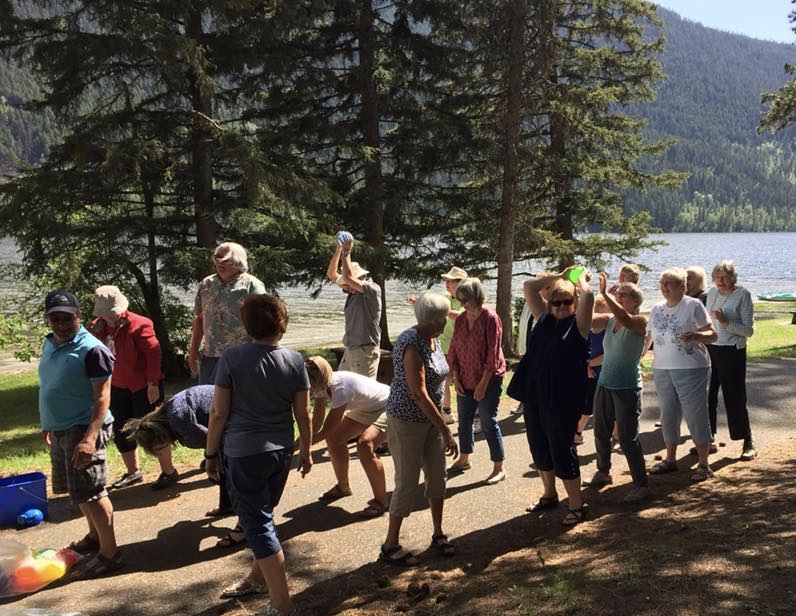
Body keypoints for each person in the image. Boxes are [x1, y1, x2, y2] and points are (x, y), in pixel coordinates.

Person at [205, 294, 311, 616]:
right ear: (281, 323)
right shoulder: (295, 360)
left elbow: (218, 412)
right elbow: (303, 414)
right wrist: (305, 450)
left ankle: (282, 604)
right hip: (280, 453)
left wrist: (211, 453)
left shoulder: (232, 358)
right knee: (263, 517)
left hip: (244, 454)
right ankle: (257, 577)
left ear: (247, 325)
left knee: (259, 525)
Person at [38, 289, 121, 579]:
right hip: (61, 428)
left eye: (67, 317)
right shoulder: (50, 343)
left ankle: (110, 554)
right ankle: (94, 536)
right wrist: (48, 422)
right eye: (54, 318)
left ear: (79, 316)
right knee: (79, 492)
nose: (60, 323)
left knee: (93, 491)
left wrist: (89, 438)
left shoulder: (92, 349)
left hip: (83, 428)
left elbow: (102, 398)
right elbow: (50, 385)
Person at [507, 268, 594, 526]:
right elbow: (528, 286)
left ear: (574, 303)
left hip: (563, 398)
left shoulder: (579, 324)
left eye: (567, 301)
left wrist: (579, 281)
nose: (561, 306)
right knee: (539, 445)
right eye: (556, 302)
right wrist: (560, 275)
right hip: (535, 394)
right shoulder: (543, 317)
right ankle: (549, 495)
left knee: (561, 449)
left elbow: (588, 297)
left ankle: (577, 505)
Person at [380, 292, 458, 566]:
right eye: (441, 318)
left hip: (430, 421)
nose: (444, 323)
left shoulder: (432, 338)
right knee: (407, 482)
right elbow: (418, 392)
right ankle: (390, 544)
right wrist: (446, 429)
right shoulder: (411, 342)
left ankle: (438, 533)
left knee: (438, 476)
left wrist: (439, 425)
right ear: (430, 320)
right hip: (406, 421)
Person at [89, 285, 164, 490]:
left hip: (142, 385)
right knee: (122, 431)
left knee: (152, 428)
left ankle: (168, 471)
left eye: (113, 313)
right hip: (115, 386)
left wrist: (153, 384)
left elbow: (153, 355)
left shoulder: (140, 324)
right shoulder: (95, 328)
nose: (111, 318)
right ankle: (133, 473)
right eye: (107, 315)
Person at [646, 268, 717, 482]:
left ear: (682, 286)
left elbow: (712, 335)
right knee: (668, 415)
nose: (664, 287)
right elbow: (648, 337)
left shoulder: (693, 305)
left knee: (695, 414)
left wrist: (696, 335)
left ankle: (704, 464)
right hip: (662, 368)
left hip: (691, 367)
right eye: (662, 283)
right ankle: (670, 459)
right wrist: (638, 356)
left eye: (669, 283)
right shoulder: (656, 309)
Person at [122, 385, 236, 519]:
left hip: (234, 412)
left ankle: (242, 515)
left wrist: (212, 460)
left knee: (227, 472)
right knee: (222, 472)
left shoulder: (179, 421)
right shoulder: (170, 410)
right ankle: (228, 506)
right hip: (226, 406)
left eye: (156, 445)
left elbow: (213, 442)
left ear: (158, 436)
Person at [587, 274, 650, 502]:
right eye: (618, 293)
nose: (619, 296)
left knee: (627, 438)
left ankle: (641, 484)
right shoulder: (610, 320)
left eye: (623, 295)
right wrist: (582, 291)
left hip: (627, 387)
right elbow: (587, 319)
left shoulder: (640, 322)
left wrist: (605, 294)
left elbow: (624, 317)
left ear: (635, 301)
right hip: (605, 383)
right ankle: (603, 471)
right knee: (600, 431)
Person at [306, 355, 390, 517]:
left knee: (365, 445)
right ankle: (343, 487)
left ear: (318, 379)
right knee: (335, 439)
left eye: (308, 382)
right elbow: (317, 424)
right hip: (366, 409)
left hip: (387, 405)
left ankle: (381, 502)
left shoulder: (341, 389)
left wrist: (298, 448)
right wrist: (303, 442)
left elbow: (326, 430)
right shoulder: (321, 386)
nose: (306, 387)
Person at [446, 278, 508, 484]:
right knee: (464, 421)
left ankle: (499, 467)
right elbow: (454, 346)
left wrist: (483, 384)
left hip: (489, 379)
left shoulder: (491, 318)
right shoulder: (462, 318)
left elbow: (493, 354)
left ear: (475, 296)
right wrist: (455, 374)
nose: (462, 303)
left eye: (465, 299)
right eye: (459, 299)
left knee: (488, 422)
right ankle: (464, 458)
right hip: (465, 377)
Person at [188, 242, 266, 385]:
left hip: (243, 357)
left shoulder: (252, 285)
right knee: (208, 401)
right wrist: (193, 349)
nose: (219, 262)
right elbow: (200, 318)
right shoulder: (206, 284)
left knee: (239, 403)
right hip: (210, 356)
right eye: (217, 258)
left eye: (225, 259)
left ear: (238, 260)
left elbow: (264, 323)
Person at [706, 260, 756, 460]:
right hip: (712, 348)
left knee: (734, 396)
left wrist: (725, 322)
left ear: (733, 278)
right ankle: (708, 439)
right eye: (717, 277)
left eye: (725, 277)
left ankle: (747, 441)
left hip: (732, 351)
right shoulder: (711, 293)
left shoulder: (743, 295)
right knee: (708, 396)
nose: (720, 281)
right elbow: (707, 322)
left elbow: (749, 331)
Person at [408, 266, 468, 425]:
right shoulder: (444, 297)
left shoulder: (468, 300)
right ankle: (447, 411)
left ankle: (474, 414)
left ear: (461, 283)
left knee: (465, 382)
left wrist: (439, 311)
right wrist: (418, 304)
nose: (447, 283)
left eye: (451, 281)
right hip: (446, 346)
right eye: (446, 280)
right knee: (444, 381)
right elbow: (430, 307)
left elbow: (460, 316)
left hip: (464, 349)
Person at [325, 232, 382, 378]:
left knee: (364, 395)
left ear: (361, 278)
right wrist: (338, 249)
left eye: (347, 285)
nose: (345, 288)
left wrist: (347, 252)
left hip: (365, 352)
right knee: (343, 388)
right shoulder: (352, 291)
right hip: (351, 350)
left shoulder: (372, 290)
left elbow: (348, 278)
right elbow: (332, 274)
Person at [574, 295, 610, 446]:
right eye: (595, 306)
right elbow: (579, 350)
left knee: (608, 409)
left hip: (606, 374)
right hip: (590, 374)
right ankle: (577, 433)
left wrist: (589, 363)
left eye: (601, 306)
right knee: (586, 405)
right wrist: (587, 366)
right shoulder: (587, 330)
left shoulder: (609, 331)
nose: (596, 309)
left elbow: (607, 355)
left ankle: (616, 436)